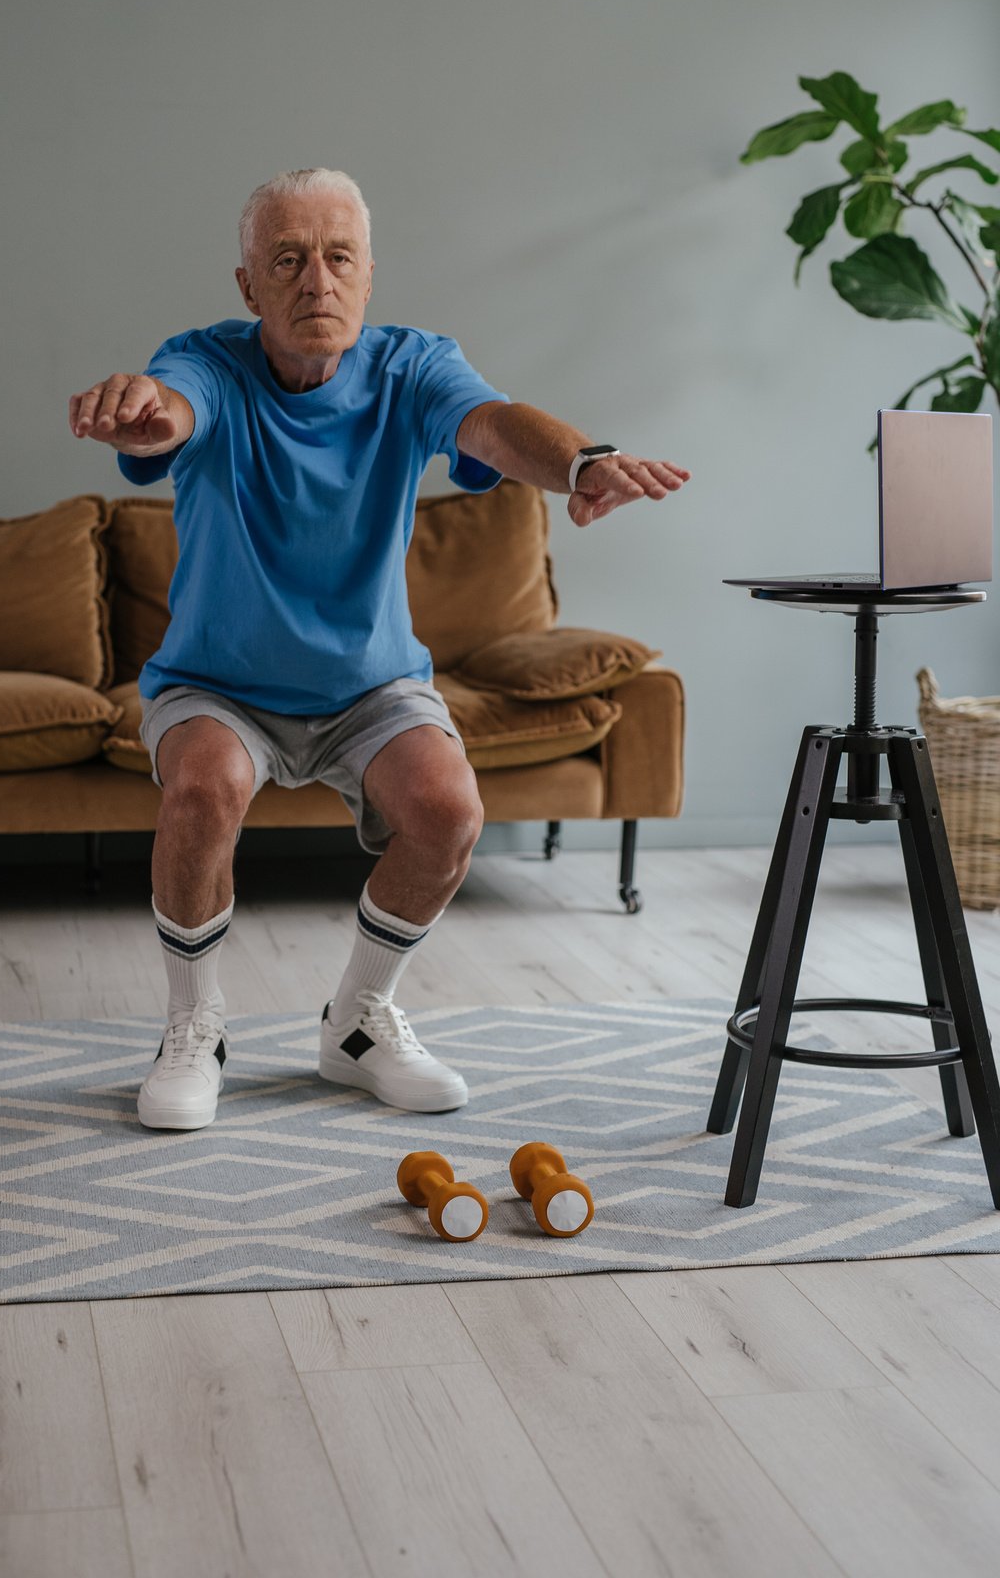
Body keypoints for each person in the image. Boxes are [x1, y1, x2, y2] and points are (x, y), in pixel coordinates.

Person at [69, 167, 689, 1131]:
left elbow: (491, 422)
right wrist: (148, 412)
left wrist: (581, 460)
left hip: (371, 686)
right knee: (202, 788)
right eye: (288, 259)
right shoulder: (209, 362)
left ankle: (357, 1025)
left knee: (448, 811)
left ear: (367, 276)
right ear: (249, 288)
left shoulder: (412, 365)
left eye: (338, 257)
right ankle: (193, 1031)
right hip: (217, 685)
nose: (316, 280)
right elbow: (173, 406)